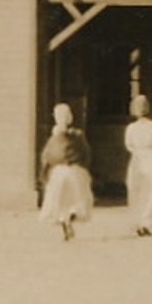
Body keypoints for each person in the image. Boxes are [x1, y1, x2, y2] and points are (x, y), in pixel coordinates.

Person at [38, 102, 93, 241]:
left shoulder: (53, 138)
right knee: (78, 198)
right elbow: (86, 152)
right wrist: (84, 167)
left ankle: (65, 222)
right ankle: (72, 215)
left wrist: (44, 173)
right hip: (76, 171)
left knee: (59, 202)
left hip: (58, 172)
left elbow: (47, 156)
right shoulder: (78, 135)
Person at [123, 94, 152, 237]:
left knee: (140, 190)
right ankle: (147, 222)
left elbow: (128, 145)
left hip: (138, 157)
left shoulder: (131, 128)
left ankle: (140, 222)